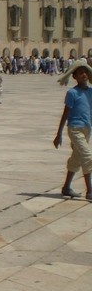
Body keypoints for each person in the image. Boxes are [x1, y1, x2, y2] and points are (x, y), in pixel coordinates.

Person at [53, 60, 92, 200]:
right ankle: (90, 191)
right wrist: (59, 134)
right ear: (74, 76)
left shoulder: (91, 92)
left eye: (85, 72)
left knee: (77, 158)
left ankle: (66, 187)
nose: (83, 75)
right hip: (75, 128)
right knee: (88, 156)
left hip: (87, 129)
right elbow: (65, 114)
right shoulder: (72, 93)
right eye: (80, 72)